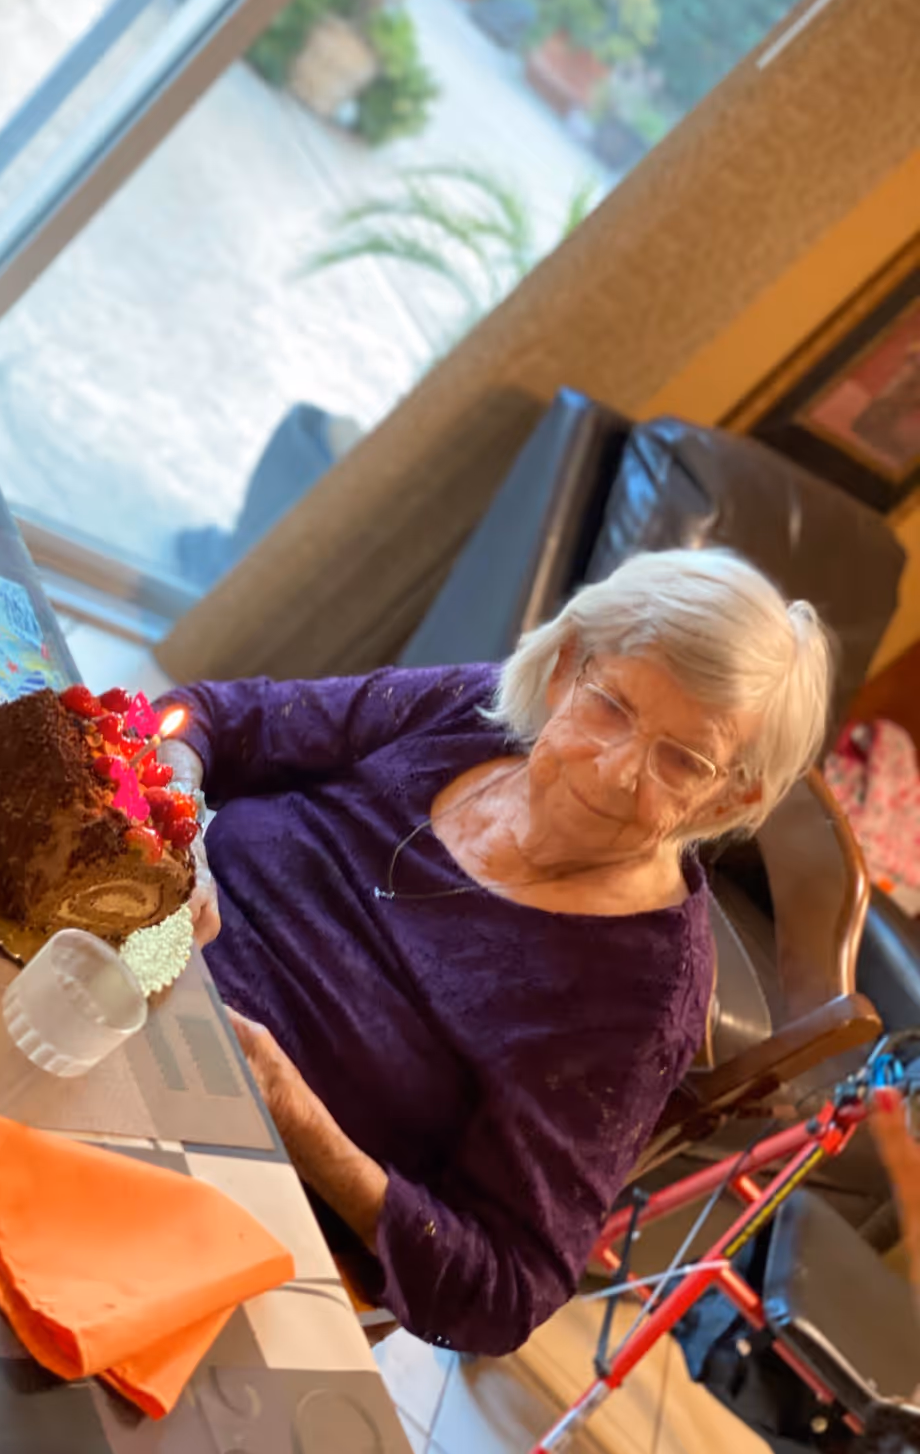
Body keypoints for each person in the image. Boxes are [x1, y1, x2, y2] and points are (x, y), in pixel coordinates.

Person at [159, 548, 833, 1353]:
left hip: (223, 1186)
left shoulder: (641, 997)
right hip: (130, 968)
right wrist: (173, 833)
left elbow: (506, 1289)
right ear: (565, 669)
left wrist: (297, 1117)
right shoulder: (474, 713)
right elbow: (214, 718)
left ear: (732, 796)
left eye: (681, 760)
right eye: (612, 705)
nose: (616, 770)